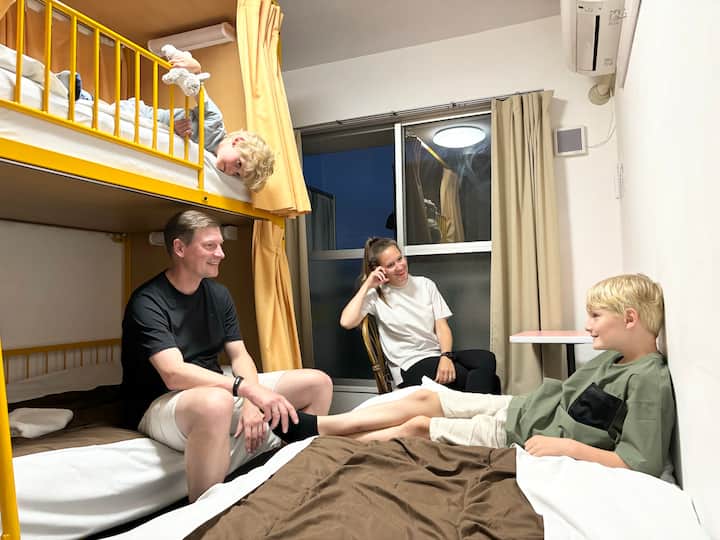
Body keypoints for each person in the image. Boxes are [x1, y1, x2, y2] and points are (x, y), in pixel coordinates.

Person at [283, 273, 675, 479]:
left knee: (419, 425)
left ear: (630, 319)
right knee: (424, 398)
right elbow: (348, 320)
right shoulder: (613, 359)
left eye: (595, 316)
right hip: (522, 408)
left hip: (519, 430)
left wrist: (568, 448)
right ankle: (321, 427)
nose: (587, 325)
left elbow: (639, 461)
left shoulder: (646, 380)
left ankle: (324, 447)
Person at [121, 209, 333, 502]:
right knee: (216, 402)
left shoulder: (218, 295)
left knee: (317, 383)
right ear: (180, 248)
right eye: (210, 246)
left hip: (217, 386)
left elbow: (240, 355)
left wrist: (251, 400)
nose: (221, 254)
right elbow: (173, 373)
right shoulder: (148, 301)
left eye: (220, 245)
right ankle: (205, 510)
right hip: (160, 400)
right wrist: (246, 390)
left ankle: (292, 476)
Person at [59, 51, 274, 192]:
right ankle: (75, 91)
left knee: (102, 112)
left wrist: (175, 132)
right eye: (238, 164)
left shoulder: (207, 158)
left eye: (237, 174)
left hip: (150, 125)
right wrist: (196, 70)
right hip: (142, 115)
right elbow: (198, 92)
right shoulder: (215, 123)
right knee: (104, 112)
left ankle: (72, 93)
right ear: (237, 142)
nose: (231, 171)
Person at [340, 237, 499, 393]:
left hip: (435, 354)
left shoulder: (425, 284)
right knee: (488, 380)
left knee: (486, 359)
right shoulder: (376, 296)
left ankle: (472, 409)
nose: (400, 266)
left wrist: (446, 356)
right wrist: (368, 284)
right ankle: (477, 409)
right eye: (390, 265)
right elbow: (346, 322)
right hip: (409, 365)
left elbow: (442, 326)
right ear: (379, 270)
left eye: (400, 259)